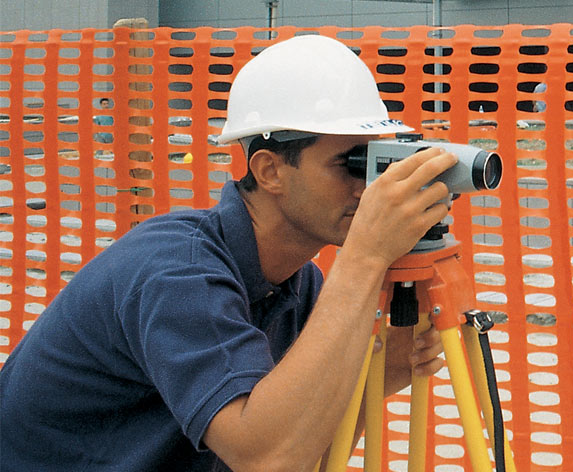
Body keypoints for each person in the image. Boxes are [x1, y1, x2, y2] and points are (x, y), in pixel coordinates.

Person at [0, 35, 458, 471]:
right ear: (270, 170)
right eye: (349, 163)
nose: (369, 185)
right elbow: (264, 459)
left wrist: (382, 372)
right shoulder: (177, 272)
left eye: (376, 161)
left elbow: (302, 454)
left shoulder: (299, 284)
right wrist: (365, 259)